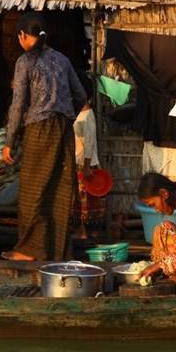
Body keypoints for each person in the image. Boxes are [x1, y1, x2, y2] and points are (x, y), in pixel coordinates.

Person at [1, 12, 87, 261]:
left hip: (38, 129)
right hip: (63, 129)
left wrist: (9, 140)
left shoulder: (25, 62)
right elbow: (81, 95)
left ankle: (28, 250)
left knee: (32, 189)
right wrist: (66, 117)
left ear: (22, 36)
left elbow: (18, 104)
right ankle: (55, 250)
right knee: (58, 189)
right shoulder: (62, 59)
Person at [72, 76, 104, 240]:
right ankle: (83, 231)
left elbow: (90, 143)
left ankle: (83, 232)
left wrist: (86, 166)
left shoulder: (88, 115)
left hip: (85, 165)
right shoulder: (78, 114)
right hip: (79, 163)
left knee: (84, 201)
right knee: (80, 201)